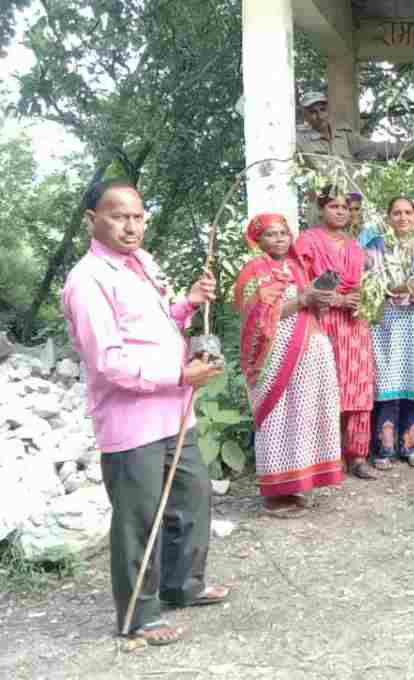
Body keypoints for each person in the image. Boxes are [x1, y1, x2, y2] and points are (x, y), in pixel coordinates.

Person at [61, 180, 229, 645]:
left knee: (191, 499)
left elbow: (155, 327)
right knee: (138, 518)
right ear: (91, 220)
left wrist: (187, 306)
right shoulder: (88, 280)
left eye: (137, 216)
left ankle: (184, 585)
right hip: (131, 422)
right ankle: (138, 614)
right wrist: (181, 374)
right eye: (118, 216)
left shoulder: (141, 265)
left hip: (175, 414)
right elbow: (109, 361)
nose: (130, 225)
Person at [233, 213, 344, 517]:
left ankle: (296, 484)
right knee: (276, 419)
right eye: (271, 234)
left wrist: (321, 298)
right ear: (257, 239)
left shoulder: (297, 267)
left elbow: (308, 305)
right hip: (274, 359)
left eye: (284, 232)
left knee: (302, 415)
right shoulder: (252, 272)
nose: (280, 238)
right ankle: (274, 494)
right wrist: (303, 300)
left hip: (307, 355)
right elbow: (255, 314)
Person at [292, 186, 379, 481]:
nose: (340, 211)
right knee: (327, 387)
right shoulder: (307, 241)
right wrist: (337, 299)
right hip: (322, 322)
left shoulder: (356, 247)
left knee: (358, 387)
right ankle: (328, 456)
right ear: (320, 209)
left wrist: (361, 298)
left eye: (345, 206)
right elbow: (300, 285)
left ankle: (357, 454)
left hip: (355, 325)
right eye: (333, 206)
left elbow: (367, 284)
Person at [361, 197, 414, 466]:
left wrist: (408, 288)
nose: (403, 217)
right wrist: (401, 287)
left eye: (408, 212)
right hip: (388, 325)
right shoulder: (375, 247)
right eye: (397, 213)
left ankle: (410, 446)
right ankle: (384, 449)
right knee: (387, 384)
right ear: (388, 217)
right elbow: (372, 284)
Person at [296, 92, 414, 168]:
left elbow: (377, 149)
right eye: (312, 112)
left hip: (349, 205)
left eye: (323, 109)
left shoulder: (343, 134)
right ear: (304, 115)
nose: (320, 116)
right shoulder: (298, 138)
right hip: (320, 210)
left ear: (329, 109)